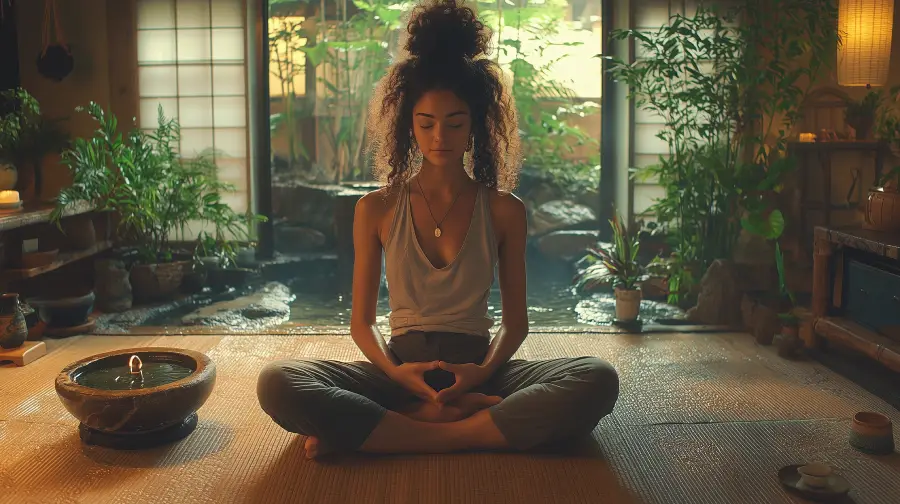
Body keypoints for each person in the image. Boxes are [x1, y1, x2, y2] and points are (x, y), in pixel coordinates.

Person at [257, 0, 619, 459]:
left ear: (475, 128)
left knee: (597, 376)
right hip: (398, 369)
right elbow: (363, 323)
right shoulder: (376, 208)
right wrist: (396, 375)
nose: (439, 137)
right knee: (277, 381)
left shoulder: (506, 210)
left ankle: (402, 428)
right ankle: (466, 420)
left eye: (455, 123)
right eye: (426, 124)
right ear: (409, 126)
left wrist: (481, 375)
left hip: (479, 369)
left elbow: (516, 323)